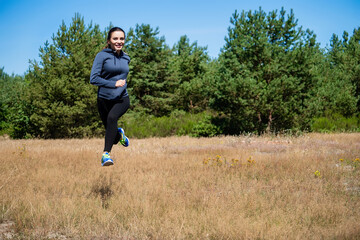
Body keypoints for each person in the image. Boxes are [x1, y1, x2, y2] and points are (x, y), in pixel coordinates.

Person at [90, 27, 130, 166]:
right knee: (112, 136)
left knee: (112, 118)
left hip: (121, 99)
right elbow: (93, 79)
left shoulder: (126, 58)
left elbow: (122, 76)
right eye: (115, 39)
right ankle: (119, 135)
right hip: (104, 100)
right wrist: (113, 84)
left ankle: (105, 155)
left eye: (121, 39)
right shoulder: (102, 56)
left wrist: (120, 86)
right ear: (109, 41)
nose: (119, 41)